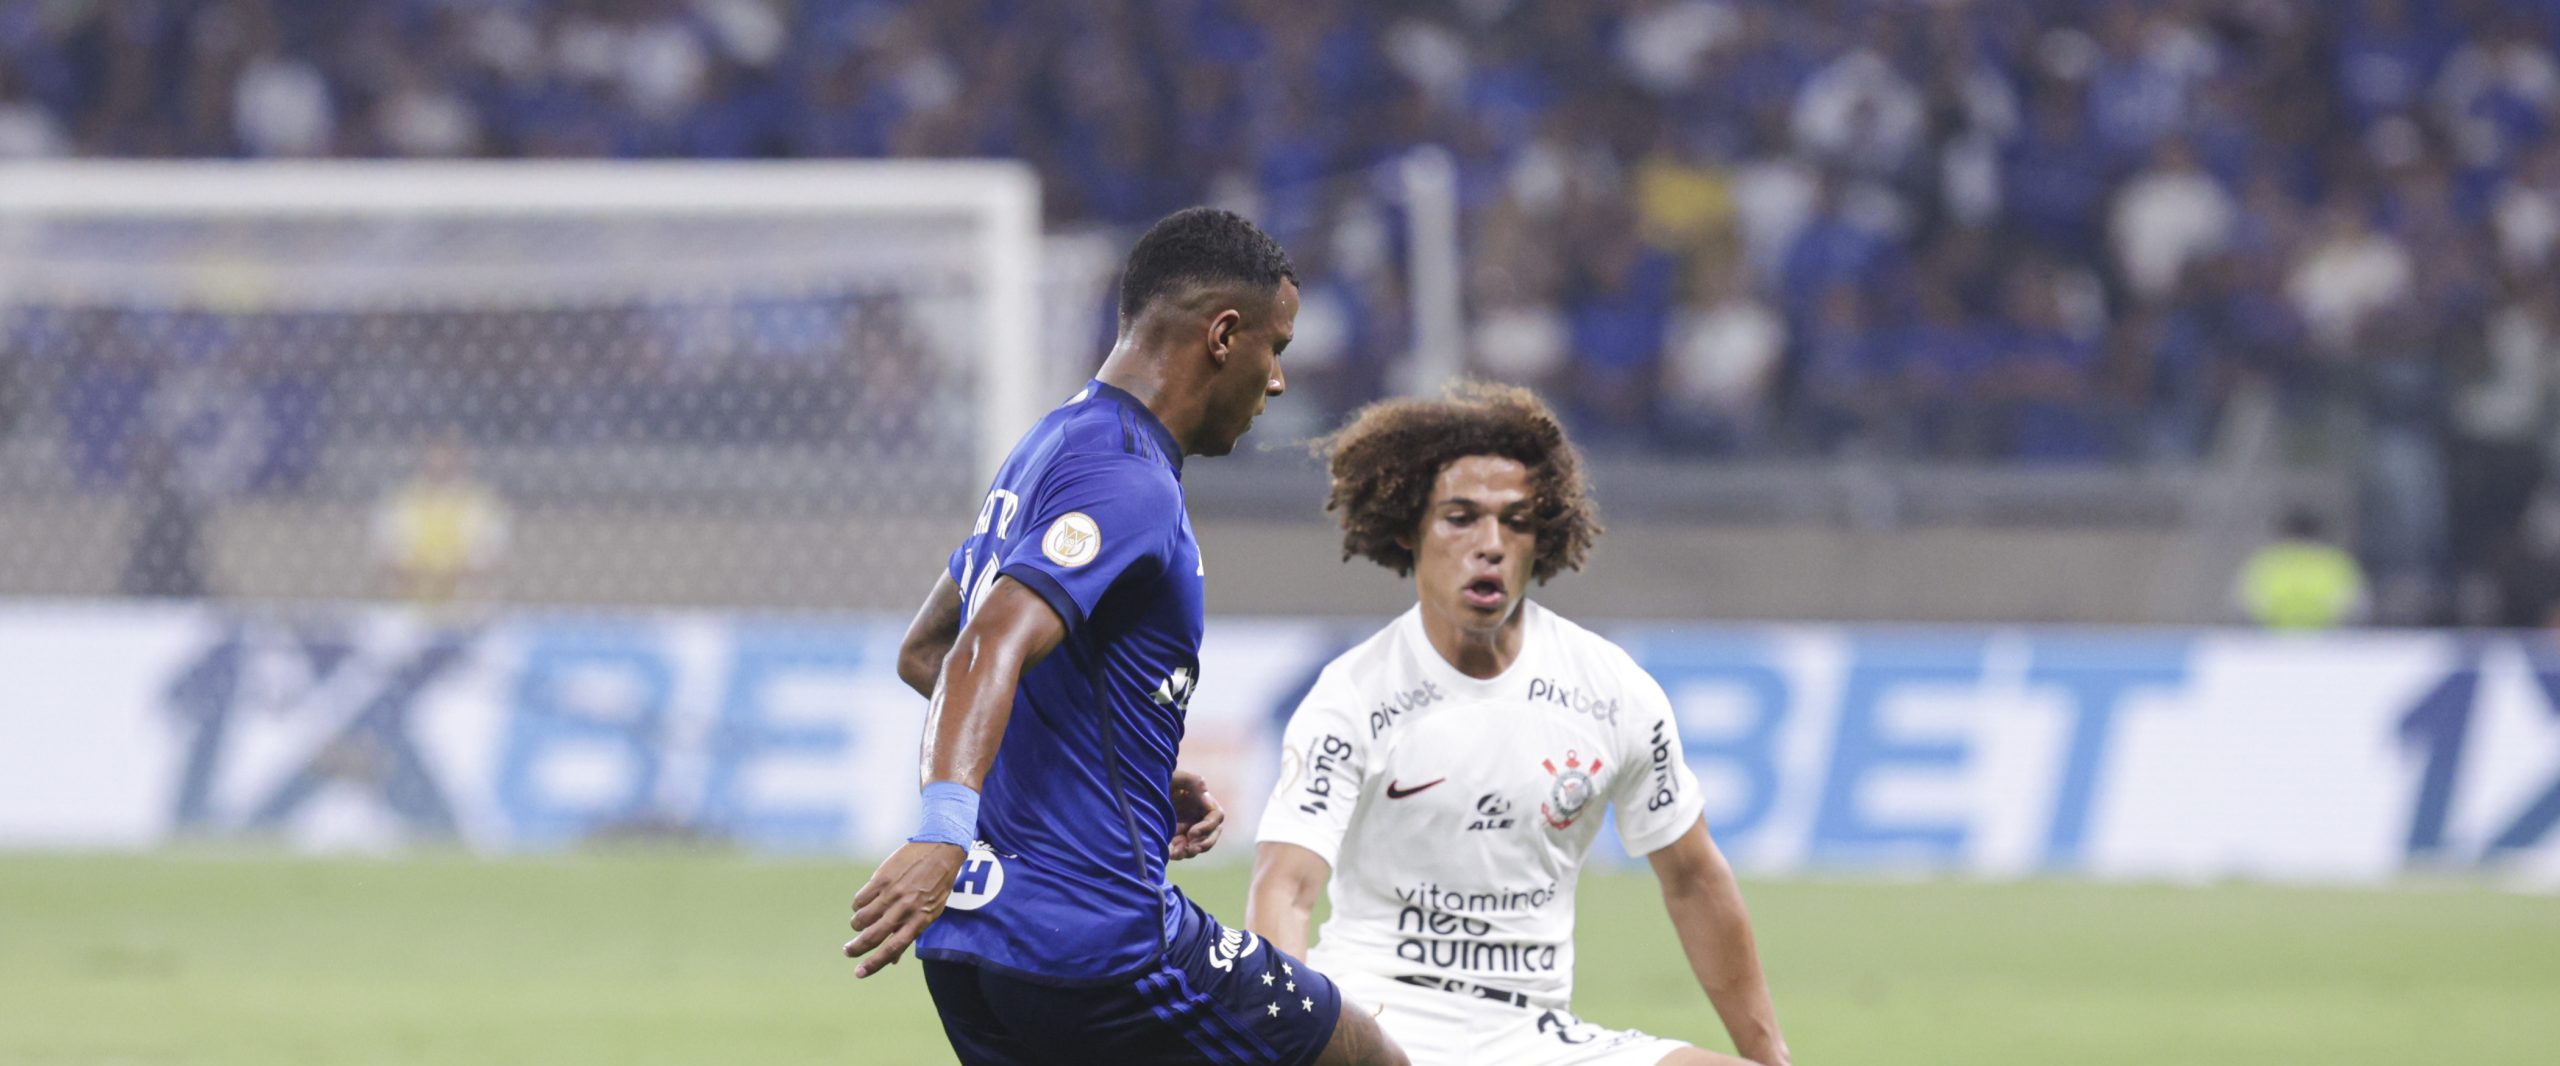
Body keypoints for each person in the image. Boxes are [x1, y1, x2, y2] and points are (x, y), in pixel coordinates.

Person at [845, 207, 1408, 1066]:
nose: (1280, 381)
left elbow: (926, 650)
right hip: (1096, 938)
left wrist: (1121, 759)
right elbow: (984, 645)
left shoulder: (1048, 444)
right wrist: (943, 826)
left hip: (972, 946)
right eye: (1277, 347)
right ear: (1225, 335)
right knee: (1362, 1054)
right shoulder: (1128, 478)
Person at [1247, 383, 1790, 1066]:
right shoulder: (1352, 697)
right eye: (1461, 518)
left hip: (1534, 1033)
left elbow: (1694, 879)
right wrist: (1288, 1047)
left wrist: (1769, 1057)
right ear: (1405, 528)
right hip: (1378, 1024)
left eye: (1517, 521)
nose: (1491, 545)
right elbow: (1285, 888)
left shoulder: (1611, 690)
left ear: (1547, 536)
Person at [2232, 507, 2368, 630]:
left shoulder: (2266, 562)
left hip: (2273, 644)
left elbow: (2242, 606)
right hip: (2327, 645)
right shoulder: (2335, 562)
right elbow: (2357, 609)